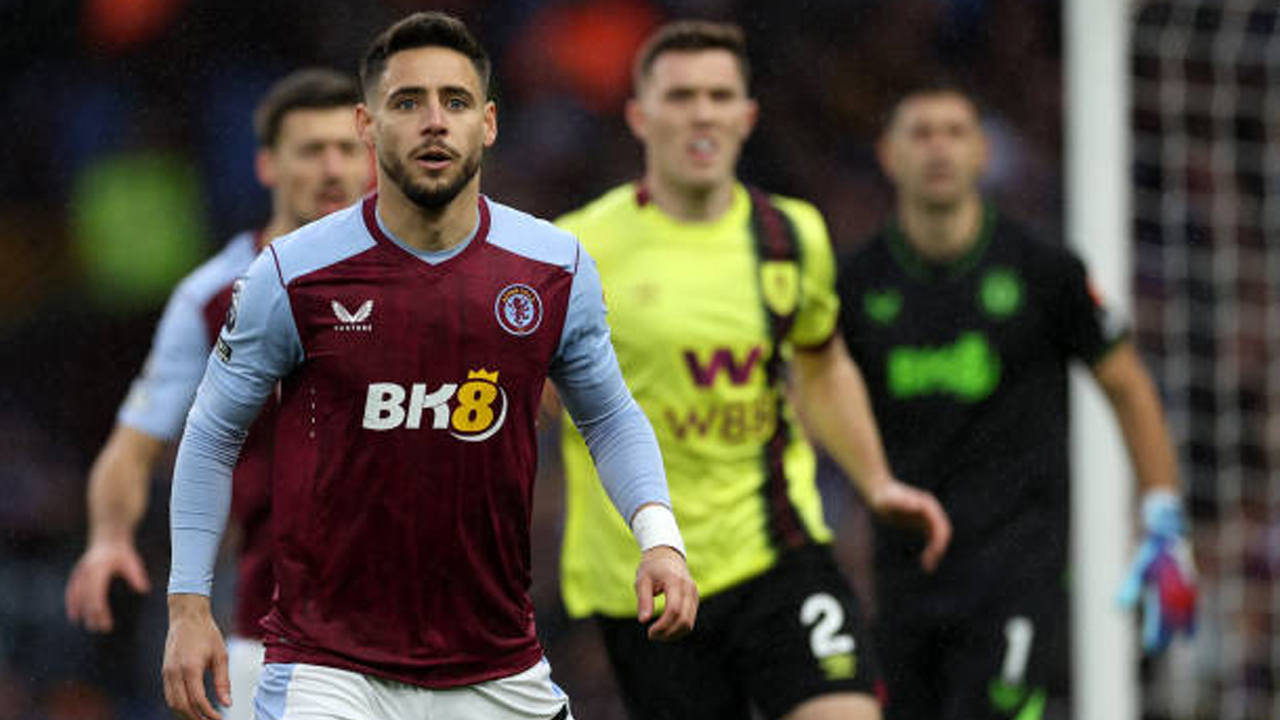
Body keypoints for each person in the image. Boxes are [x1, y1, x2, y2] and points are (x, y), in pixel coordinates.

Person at [161, 12, 697, 720]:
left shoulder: (552, 268)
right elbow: (211, 433)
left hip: (496, 665)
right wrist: (188, 606)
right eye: (407, 102)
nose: (434, 122)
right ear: (367, 126)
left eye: (456, 101)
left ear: (490, 123)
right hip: (330, 668)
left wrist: (661, 539)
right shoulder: (292, 274)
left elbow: (608, 415)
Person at [554, 21, 951, 720]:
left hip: (778, 548)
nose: (702, 112)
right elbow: (534, 395)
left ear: (747, 116)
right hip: (643, 573)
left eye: (718, 95)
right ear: (640, 117)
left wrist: (876, 480)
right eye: (680, 96)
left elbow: (821, 365)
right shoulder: (578, 248)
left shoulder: (792, 235)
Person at [837, 86, 1197, 720]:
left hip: (1018, 571)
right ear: (888, 155)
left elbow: (1127, 385)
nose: (939, 148)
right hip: (903, 578)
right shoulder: (857, 284)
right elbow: (816, 396)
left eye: (954, 131)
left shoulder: (1044, 271)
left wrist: (1163, 518)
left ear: (982, 151)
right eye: (920, 133)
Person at [64, 68, 370, 719]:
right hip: (271, 625)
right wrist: (109, 534)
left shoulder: (425, 278)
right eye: (311, 150)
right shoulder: (211, 298)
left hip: (420, 619)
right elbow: (133, 444)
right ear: (266, 165)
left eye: (349, 149)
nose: (333, 168)